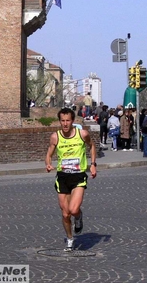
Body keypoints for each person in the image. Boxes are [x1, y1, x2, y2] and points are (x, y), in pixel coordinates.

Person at [45, 108, 97, 252]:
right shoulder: (56, 137)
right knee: (65, 213)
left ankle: (79, 216)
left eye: (68, 120)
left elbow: (92, 146)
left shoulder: (82, 134)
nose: (65, 124)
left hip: (78, 176)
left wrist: (93, 165)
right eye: (63, 121)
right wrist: (48, 163)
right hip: (62, 177)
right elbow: (49, 153)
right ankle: (69, 238)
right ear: (59, 121)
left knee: (73, 210)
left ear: (73, 121)